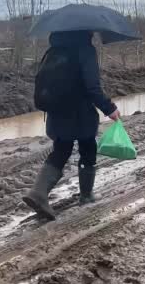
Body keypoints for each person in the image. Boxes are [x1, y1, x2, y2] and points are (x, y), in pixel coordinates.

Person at [23, 31, 120, 221]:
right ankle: (86, 196)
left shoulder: (54, 49)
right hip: (79, 113)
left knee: (61, 150)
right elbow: (92, 87)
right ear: (86, 31)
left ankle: (38, 193)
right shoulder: (85, 50)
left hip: (56, 111)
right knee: (88, 149)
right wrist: (109, 108)